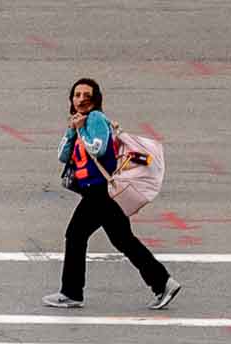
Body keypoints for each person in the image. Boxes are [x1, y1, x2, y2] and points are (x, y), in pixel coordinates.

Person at [43, 77, 182, 310]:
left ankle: (71, 292)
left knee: (76, 236)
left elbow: (99, 148)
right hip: (97, 192)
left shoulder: (95, 119)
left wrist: (80, 131)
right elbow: (62, 156)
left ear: (95, 99)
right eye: (77, 95)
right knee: (122, 240)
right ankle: (163, 282)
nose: (81, 99)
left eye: (86, 95)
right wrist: (71, 131)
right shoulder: (80, 123)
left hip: (100, 192)